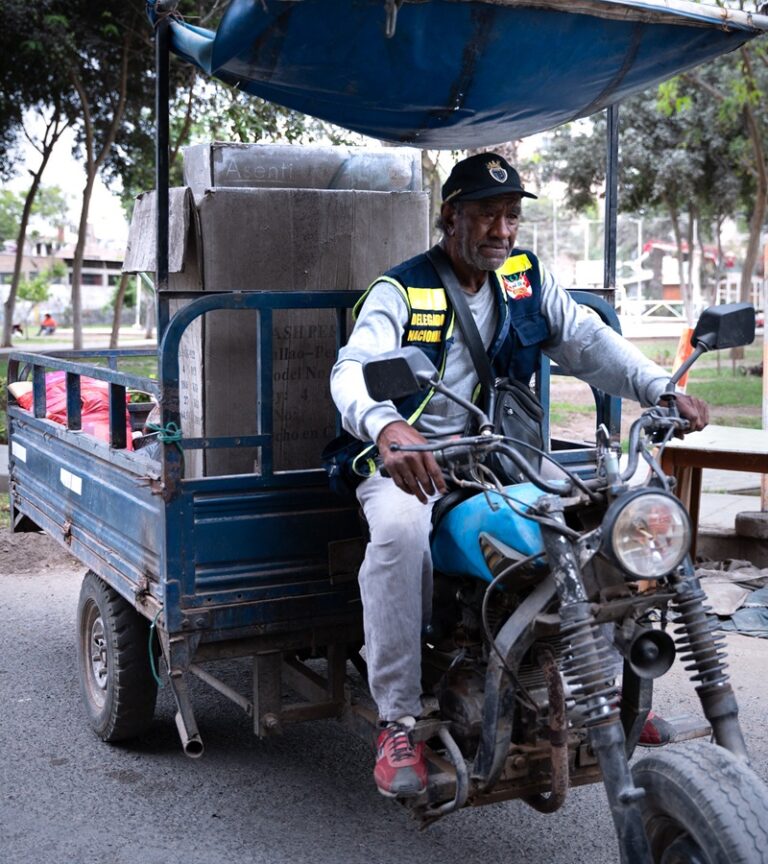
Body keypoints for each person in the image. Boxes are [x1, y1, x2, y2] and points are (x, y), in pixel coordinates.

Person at [329, 152, 709, 799]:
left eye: (510, 216)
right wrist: (387, 426)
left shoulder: (525, 280)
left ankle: (602, 690)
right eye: (486, 215)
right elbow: (352, 369)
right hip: (410, 462)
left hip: (500, 455)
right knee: (397, 534)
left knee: (592, 521)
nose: (501, 230)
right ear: (451, 217)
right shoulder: (402, 290)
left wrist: (658, 388)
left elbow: (586, 340)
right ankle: (398, 719)